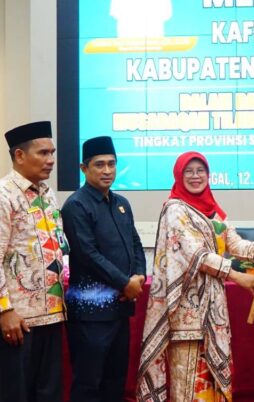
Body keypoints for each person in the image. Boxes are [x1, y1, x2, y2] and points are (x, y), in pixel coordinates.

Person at [136, 151, 254, 402]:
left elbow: (234, 245)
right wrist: (238, 277)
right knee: (189, 384)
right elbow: (197, 256)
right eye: (188, 172)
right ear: (179, 176)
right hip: (187, 315)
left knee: (212, 383)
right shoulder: (175, 210)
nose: (195, 176)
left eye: (200, 171)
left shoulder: (212, 210)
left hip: (213, 313)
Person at [0, 121, 67, 402]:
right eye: (42, 153)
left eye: (52, 153)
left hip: (52, 314)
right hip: (18, 319)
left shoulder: (47, 194)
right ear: (19, 156)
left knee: (48, 393)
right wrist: (4, 311)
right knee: (17, 393)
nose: (50, 160)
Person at [61, 136, 146, 402]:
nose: (107, 171)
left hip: (119, 309)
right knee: (89, 383)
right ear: (83, 168)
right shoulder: (76, 205)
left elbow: (135, 241)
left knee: (115, 381)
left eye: (111, 164)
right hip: (90, 314)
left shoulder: (121, 203)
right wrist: (125, 283)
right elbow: (87, 255)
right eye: (99, 165)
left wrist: (139, 276)